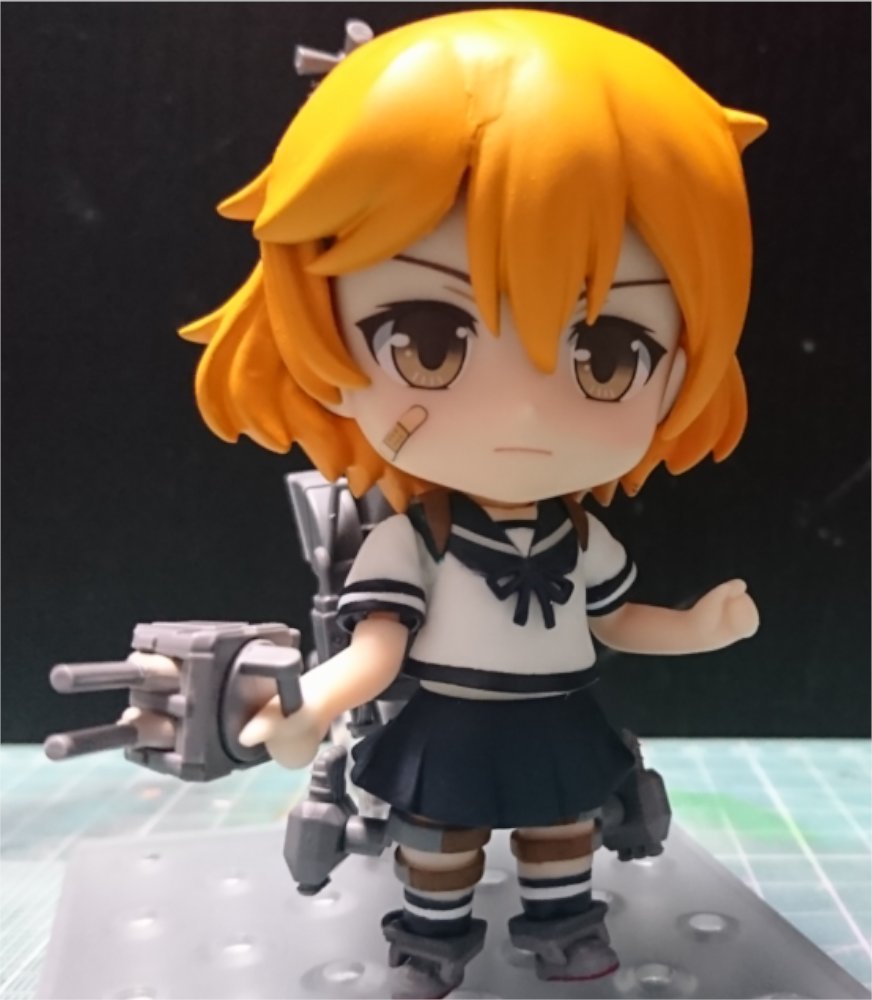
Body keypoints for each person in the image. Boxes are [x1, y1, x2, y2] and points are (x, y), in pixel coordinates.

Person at [176, 10, 764, 996]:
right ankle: (430, 943)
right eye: (427, 340)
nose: (523, 410)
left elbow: (615, 618)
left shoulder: (578, 534)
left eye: (608, 353)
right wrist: (310, 706)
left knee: (561, 834)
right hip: (449, 726)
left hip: (554, 718)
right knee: (436, 841)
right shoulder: (416, 540)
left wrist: (698, 628)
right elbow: (377, 652)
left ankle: (563, 928)